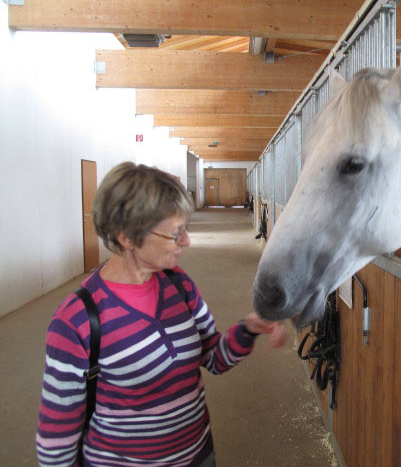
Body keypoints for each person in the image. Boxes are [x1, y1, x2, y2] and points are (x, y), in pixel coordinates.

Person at [36, 162, 286, 467]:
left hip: (198, 455)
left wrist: (248, 328)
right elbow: (56, 438)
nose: (187, 242)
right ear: (127, 237)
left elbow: (214, 359)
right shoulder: (76, 320)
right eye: (175, 234)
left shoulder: (179, 285)